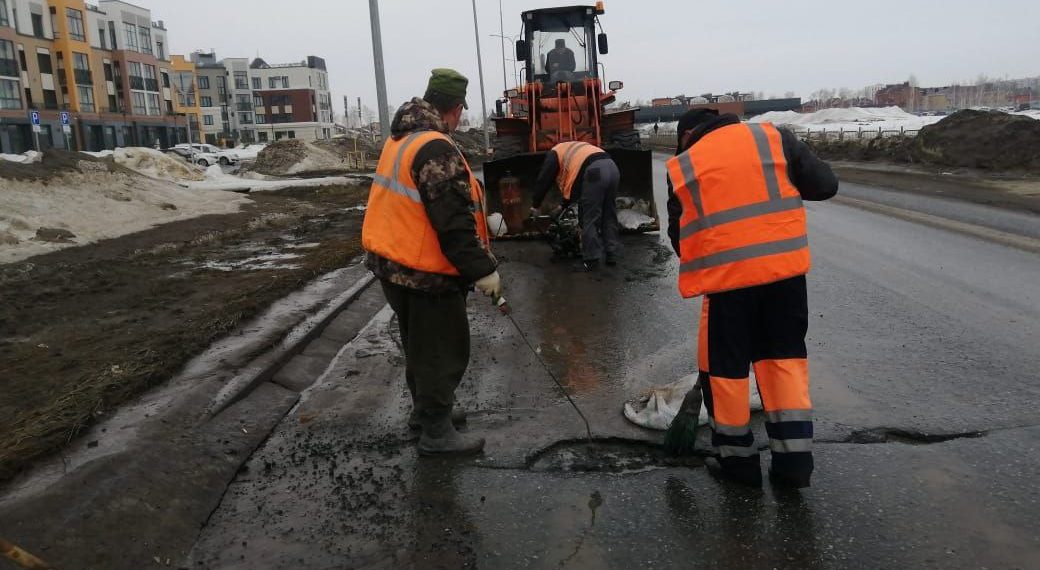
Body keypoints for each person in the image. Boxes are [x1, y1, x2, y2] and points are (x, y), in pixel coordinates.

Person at [666, 108, 838, 488]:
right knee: (783, 365)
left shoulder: (684, 165)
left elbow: (680, 240)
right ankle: (794, 466)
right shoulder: (775, 138)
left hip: (728, 288)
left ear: (688, 134)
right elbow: (825, 185)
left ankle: (739, 466)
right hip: (785, 280)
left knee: (726, 373)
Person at [362, 68, 501, 456]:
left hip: (394, 265)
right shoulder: (436, 149)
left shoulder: (401, 139)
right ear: (454, 109)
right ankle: (436, 432)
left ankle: (426, 414)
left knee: (421, 347)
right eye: (460, 112)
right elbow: (454, 225)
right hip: (424, 273)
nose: (459, 121)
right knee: (442, 349)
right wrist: (483, 270)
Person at [530, 141, 621, 270]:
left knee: (589, 217)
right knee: (609, 214)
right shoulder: (574, 150)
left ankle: (591, 260)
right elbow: (575, 186)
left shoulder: (554, 154)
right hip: (612, 168)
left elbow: (544, 179)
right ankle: (611, 254)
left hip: (595, 172)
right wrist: (563, 205)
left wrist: (535, 205)